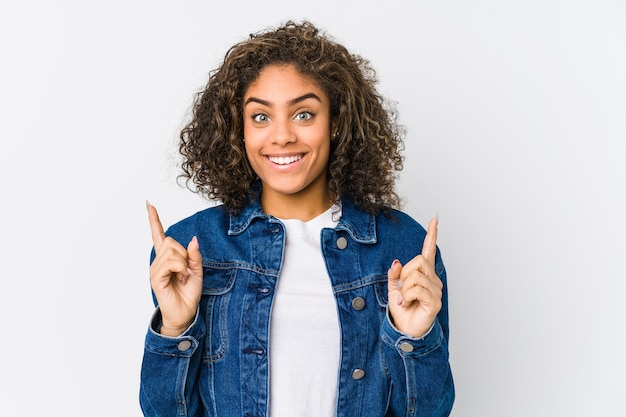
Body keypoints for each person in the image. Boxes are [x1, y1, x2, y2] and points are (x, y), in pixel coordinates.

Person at [140, 20, 454, 417]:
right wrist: (174, 328)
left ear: (336, 122)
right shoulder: (192, 248)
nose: (283, 136)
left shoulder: (402, 247)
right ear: (239, 129)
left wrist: (416, 338)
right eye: (261, 117)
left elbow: (431, 411)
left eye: (304, 114)